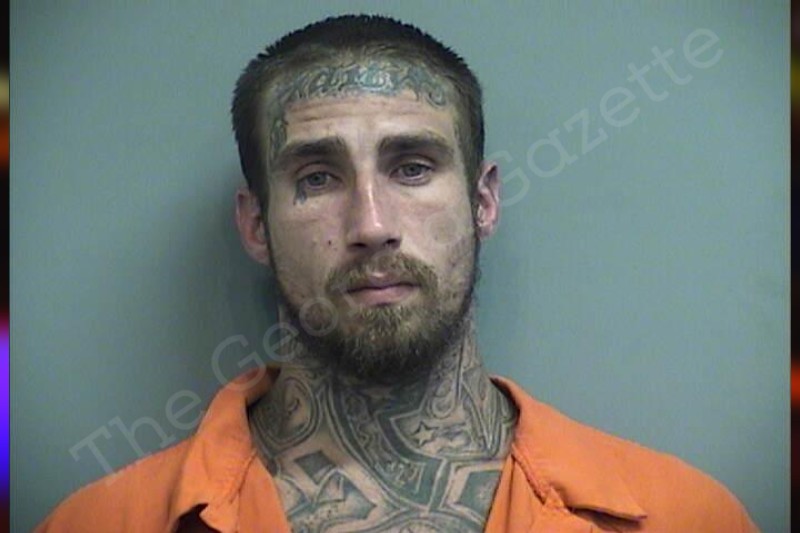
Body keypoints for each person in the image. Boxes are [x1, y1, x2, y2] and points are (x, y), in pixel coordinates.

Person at [38, 14, 758, 532]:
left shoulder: (683, 515)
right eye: (318, 177)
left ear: (482, 202)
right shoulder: (100, 522)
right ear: (256, 224)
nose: (372, 223)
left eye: (412, 167)